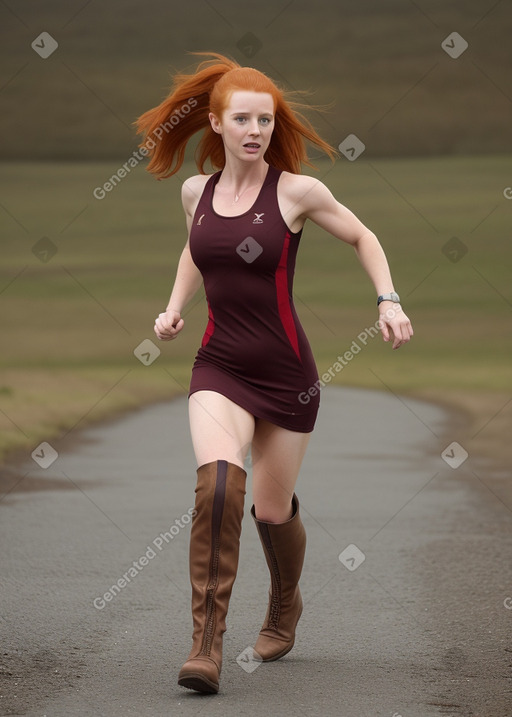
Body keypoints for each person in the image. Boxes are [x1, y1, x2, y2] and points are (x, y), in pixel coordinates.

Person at [136, 52, 413, 694]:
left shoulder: (295, 191)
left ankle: (285, 605)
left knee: (270, 508)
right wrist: (174, 308)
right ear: (217, 123)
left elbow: (363, 237)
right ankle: (205, 647)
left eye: (265, 119)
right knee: (218, 490)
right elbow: (196, 248)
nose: (256, 129)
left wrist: (389, 298)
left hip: (287, 374)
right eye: (242, 119)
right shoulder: (194, 193)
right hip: (219, 365)